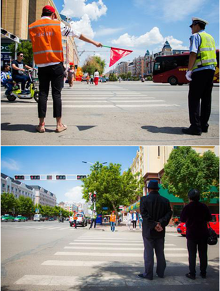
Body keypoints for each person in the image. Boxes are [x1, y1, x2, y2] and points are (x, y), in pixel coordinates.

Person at [29, 5, 102, 133]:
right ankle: (59, 125)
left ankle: (41, 125)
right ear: (52, 15)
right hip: (56, 65)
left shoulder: (33, 26)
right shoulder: (58, 25)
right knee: (56, 94)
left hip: (41, 66)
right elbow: (77, 34)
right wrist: (94, 42)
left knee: (43, 94)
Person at [182, 17, 217, 136]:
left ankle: (195, 127)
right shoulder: (210, 37)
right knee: (207, 99)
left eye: (192, 26)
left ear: (197, 25)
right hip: (211, 70)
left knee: (194, 99)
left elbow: (193, 53)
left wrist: (189, 70)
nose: (191, 29)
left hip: (200, 71)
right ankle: (204, 125)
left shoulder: (196, 36)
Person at [139, 180, 172, 280]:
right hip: (160, 230)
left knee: (148, 253)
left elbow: (144, 215)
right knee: (160, 252)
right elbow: (169, 213)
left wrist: (154, 224)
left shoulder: (144, 200)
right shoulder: (165, 200)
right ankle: (160, 273)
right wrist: (160, 223)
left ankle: (148, 274)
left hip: (148, 231)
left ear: (148, 189)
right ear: (158, 189)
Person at [180, 189, 211, 280]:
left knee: (192, 254)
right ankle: (203, 272)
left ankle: (192, 273)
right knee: (203, 254)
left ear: (190, 198)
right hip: (203, 233)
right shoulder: (204, 206)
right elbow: (209, 217)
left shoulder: (187, 207)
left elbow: (182, 219)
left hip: (191, 234)